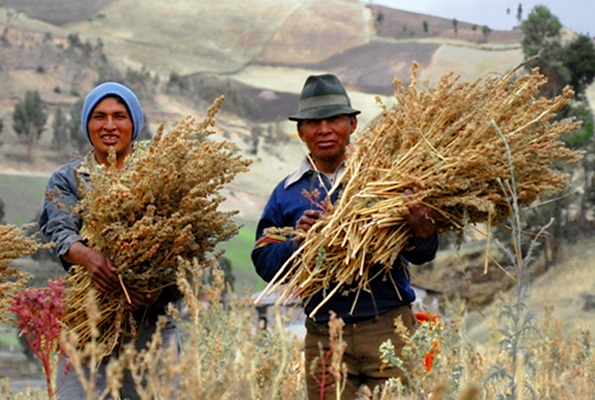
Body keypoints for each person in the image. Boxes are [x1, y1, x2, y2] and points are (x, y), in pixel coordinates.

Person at [251, 74, 438, 399]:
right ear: (301, 131)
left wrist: (424, 232)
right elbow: (264, 261)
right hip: (325, 335)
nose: (324, 130)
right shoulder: (286, 194)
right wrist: (299, 243)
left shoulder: (385, 181)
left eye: (334, 119)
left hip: (389, 327)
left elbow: (423, 253)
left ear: (352, 123)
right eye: (313, 122)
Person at [39, 82, 181, 400]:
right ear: (87, 124)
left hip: (150, 323)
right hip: (86, 322)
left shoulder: (162, 174)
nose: (109, 126)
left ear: (134, 123)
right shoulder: (68, 178)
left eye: (119, 116)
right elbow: (58, 231)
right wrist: (88, 257)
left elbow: (184, 244)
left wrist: (154, 285)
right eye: (99, 117)